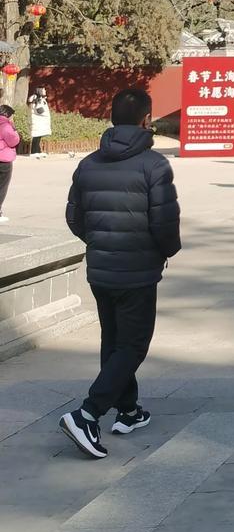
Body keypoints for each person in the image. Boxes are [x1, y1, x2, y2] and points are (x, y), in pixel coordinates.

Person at [59, 88, 180, 459]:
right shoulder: (154, 165)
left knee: (113, 342)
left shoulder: (88, 164)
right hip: (138, 272)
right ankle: (88, 414)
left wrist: (98, 242)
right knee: (132, 345)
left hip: (101, 269)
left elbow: (74, 217)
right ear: (147, 119)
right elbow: (164, 223)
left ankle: (128, 410)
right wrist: (165, 251)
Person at [0, 103, 19, 222]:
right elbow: (13, 141)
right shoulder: (6, 126)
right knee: (2, 186)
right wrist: (14, 130)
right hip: (4, 160)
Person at [28, 87, 52, 154]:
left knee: (38, 137)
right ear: (40, 91)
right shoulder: (37, 99)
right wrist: (46, 114)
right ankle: (34, 152)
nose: (45, 91)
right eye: (44, 90)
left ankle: (37, 151)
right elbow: (39, 110)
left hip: (39, 121)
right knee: (36, 137)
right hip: (38, 121)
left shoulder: (39, 99)